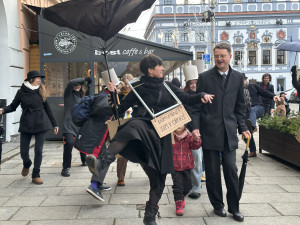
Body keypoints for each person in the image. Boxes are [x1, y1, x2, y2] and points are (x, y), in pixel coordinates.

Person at [85, 54, 214, 225]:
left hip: (162, 137)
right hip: (142, 130)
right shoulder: (137, 87)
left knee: (158, 179)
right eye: (160, 66)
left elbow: (187, 99)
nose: (162, 68)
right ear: (150, 70)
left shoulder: (168, 87)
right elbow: (120, 110)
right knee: (132, 125)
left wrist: (202, 95)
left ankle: (150, 215)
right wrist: (113, 94)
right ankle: (102, 162)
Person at [196, 42, 251, 222]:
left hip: (229, 131)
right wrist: (195, 128)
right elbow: (196, 107)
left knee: (230, 169)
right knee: (212, 172)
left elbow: (240, 107)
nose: (219, 59)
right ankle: (217, 205)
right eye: (216, 56)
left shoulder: (237, 77)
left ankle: (234, 207)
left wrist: (243, 128)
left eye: (222, 56)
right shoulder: (204, 78)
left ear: (230, 56)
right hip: (209, 130)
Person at [0, 71, 59, 184]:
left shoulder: (41, 91)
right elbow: (13, 106)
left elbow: (48, 109)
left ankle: (36, 174)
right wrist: (2, 110)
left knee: (38, 150)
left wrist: (55, 124)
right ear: (31, 79)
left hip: (41, 123)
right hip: (27, 123)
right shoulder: (21, 92)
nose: (39, 80)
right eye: (38, 78)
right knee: (23, 152)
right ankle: (27, 163)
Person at [61, 77, 92, 177]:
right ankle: (66, 167)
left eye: (80, 85)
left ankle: (84, 160)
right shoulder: (68, 95)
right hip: (69, 124)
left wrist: (89, 84)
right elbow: (71, 82)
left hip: (80, 124)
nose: (78, 86)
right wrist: (84, 79)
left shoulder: (83, 97)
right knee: (69, 143)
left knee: (82, 142)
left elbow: (89, 96)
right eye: (76, 85)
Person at [182, 65, 204, 200]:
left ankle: (196, 187)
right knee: (190, 160)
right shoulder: (184, 96)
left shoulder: (204, 95)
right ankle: (190, 185)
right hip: (187, 131)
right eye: (190, 83)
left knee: (197, 160)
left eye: (195, 83)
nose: (193, 85)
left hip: (201, 131)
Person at [243, 74, 277, 157]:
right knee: (246, 132)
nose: (241, 82)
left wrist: (273, 96)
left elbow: (264, 92)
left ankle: (253, 126)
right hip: (247, 112)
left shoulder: (253, 86)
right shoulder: (237, 90)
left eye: (243, 80)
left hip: (260, 108)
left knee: (252, 110)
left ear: (245, 80)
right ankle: (253, 151)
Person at [171, 124, 201, 216]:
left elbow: (195, 146)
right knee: (177, 186)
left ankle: (183, 196)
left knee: (188, 186)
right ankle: (178, 204)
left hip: (187, 166)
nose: (178, 125)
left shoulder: (189, 137)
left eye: (181, 123)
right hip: (175, 167)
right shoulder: (170, 137)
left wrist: (197, 139)